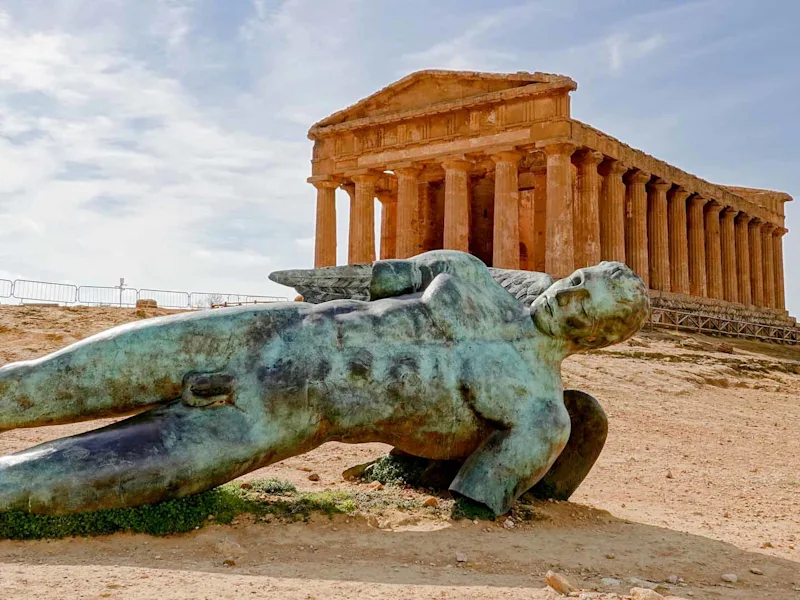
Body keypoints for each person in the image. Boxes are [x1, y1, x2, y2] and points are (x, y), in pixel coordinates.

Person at [0, 251, 648, 515]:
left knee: (26, 487)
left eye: (593, 302)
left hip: (284, 415)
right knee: (31, 383)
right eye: (582, 279)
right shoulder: (466, 273)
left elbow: (474, 499)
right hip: (267, 331)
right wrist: (300, 280)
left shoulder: (540, 415)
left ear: (603, 335)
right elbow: (365, 280)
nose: (576, 292)